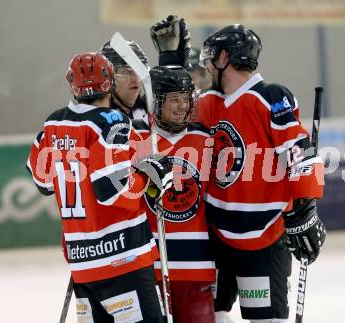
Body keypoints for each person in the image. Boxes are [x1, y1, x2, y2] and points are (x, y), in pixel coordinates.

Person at [153, 21, 327, 323]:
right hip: (217, 239)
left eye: (209, 60)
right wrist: (172, 62)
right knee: (215, 316)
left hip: (264, 240)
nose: (206, 67)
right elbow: (170, 119)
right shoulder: (208, 103)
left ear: (223, 58)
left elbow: (302, 154)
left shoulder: (270, 96)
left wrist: (305, 208)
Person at [26, 51, 173, 322]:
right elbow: (111, 191)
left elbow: (41, 182)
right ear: (110, 83)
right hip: (123, 261)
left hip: (83, 265)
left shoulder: (53, 124)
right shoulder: (112, 122)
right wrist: (151, 177)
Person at [134, 65, 216, 323]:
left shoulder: (205, 140)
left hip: (198, 269)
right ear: (155, 103)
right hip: (151, 270)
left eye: (186, 99)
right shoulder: (135, 139)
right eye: (173, 100)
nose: (182, 107)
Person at [100, 39, 149, 127]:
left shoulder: (150, 110)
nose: (136, 80)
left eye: (139, 71)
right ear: (108, 76)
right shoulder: (94, 119)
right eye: (127, 71)